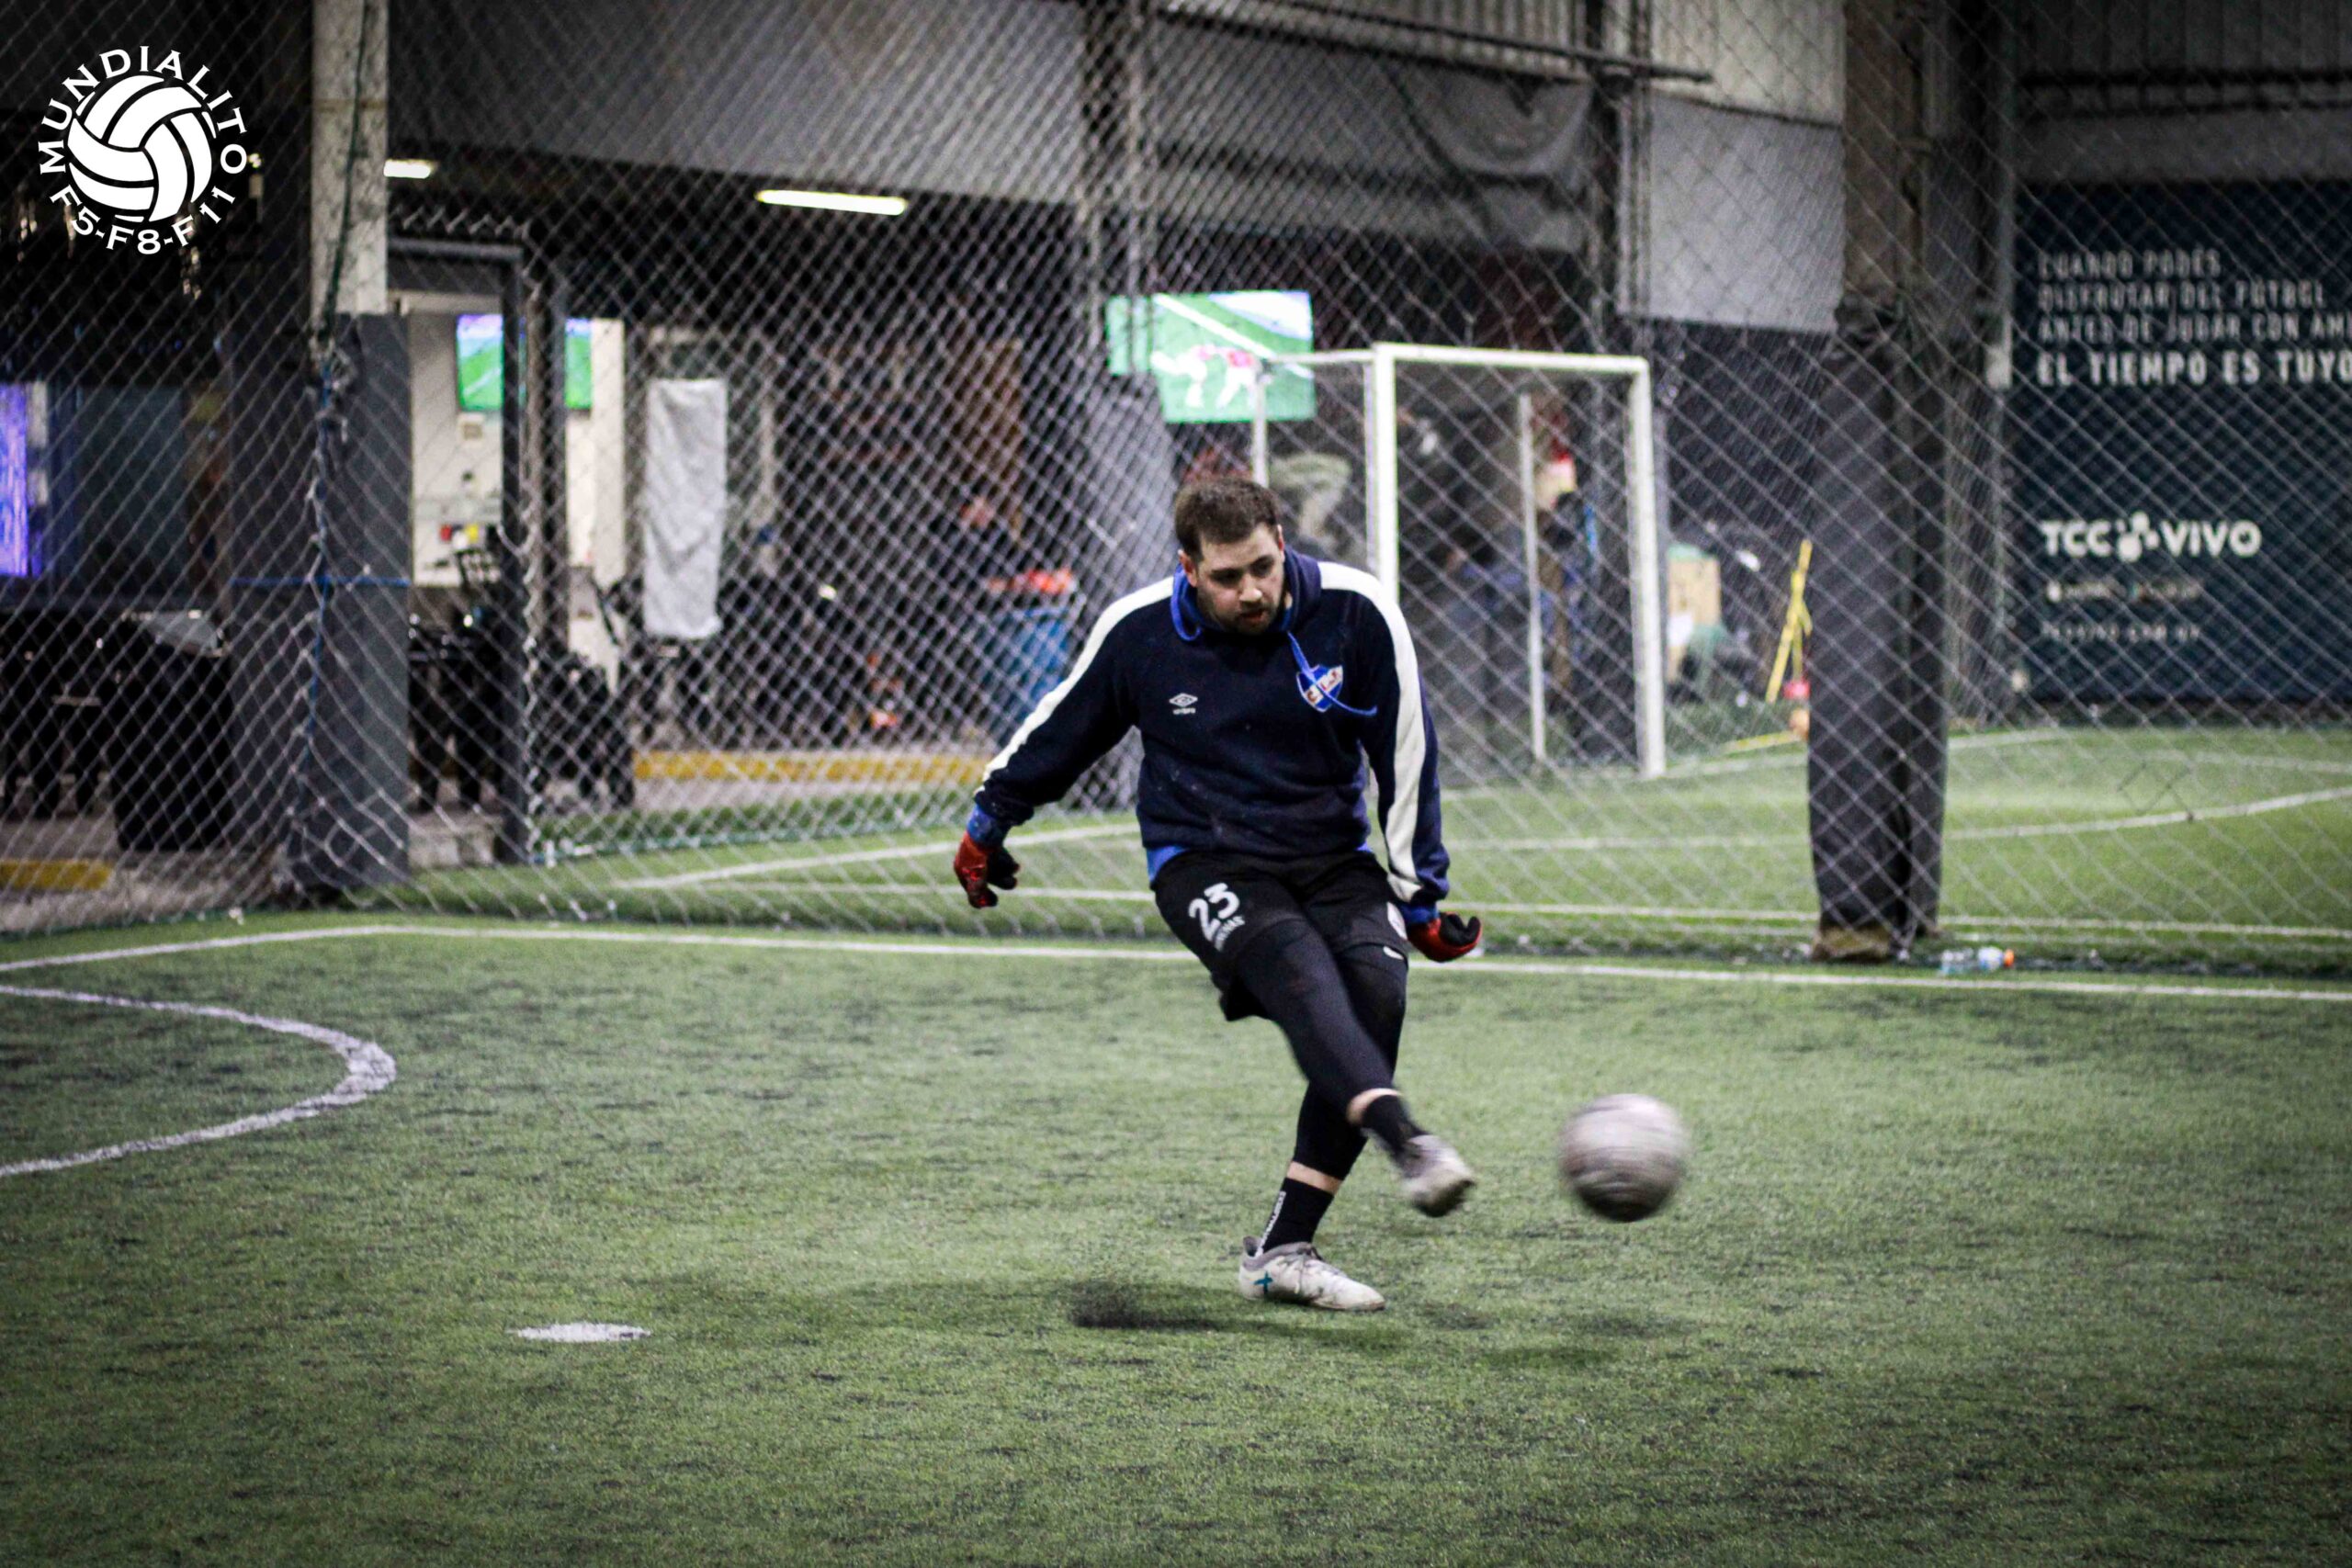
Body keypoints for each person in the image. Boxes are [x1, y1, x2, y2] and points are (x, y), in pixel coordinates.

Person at [949, 476, 1485, 1314]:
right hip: (1202, 858)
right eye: (1227, 577)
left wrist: (1419, 895)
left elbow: (1406, 752)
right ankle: (1409, 1143)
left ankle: (1283, 1250)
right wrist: (989, 823)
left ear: (1282, 543)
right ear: (1189, 569)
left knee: (1376, 992)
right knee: (1300, 972)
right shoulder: (1139, 631)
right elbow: (1063, 728)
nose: (1251, 591)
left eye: (1263, 568)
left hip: (1330, 856)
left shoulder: (1357, 612)